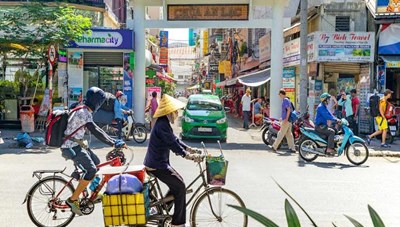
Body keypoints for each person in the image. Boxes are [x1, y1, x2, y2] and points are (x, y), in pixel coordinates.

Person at [61, 87, 125, 215]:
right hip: (71, 147)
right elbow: (96, 131)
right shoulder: (84, 113)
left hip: (75, 144)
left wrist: (113, 141)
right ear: (97, 102)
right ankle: (72, 200)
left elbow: (98, 130)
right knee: (91, 170)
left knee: (96, 161)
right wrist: (113, 142)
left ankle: (93, 191)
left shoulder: (81, 108)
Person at [144, 94, 202, 227]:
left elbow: (175, 139)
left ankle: (164, 211)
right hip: (157, 165)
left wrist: (190, 149)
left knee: (177, 184)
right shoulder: (162, 125)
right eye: (175, 111)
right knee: (180, 186)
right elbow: (172, 144)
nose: (176, 114)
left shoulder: (163, 122)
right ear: (169, 111)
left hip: (158, 163)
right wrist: (187, 155)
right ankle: (178, 223)